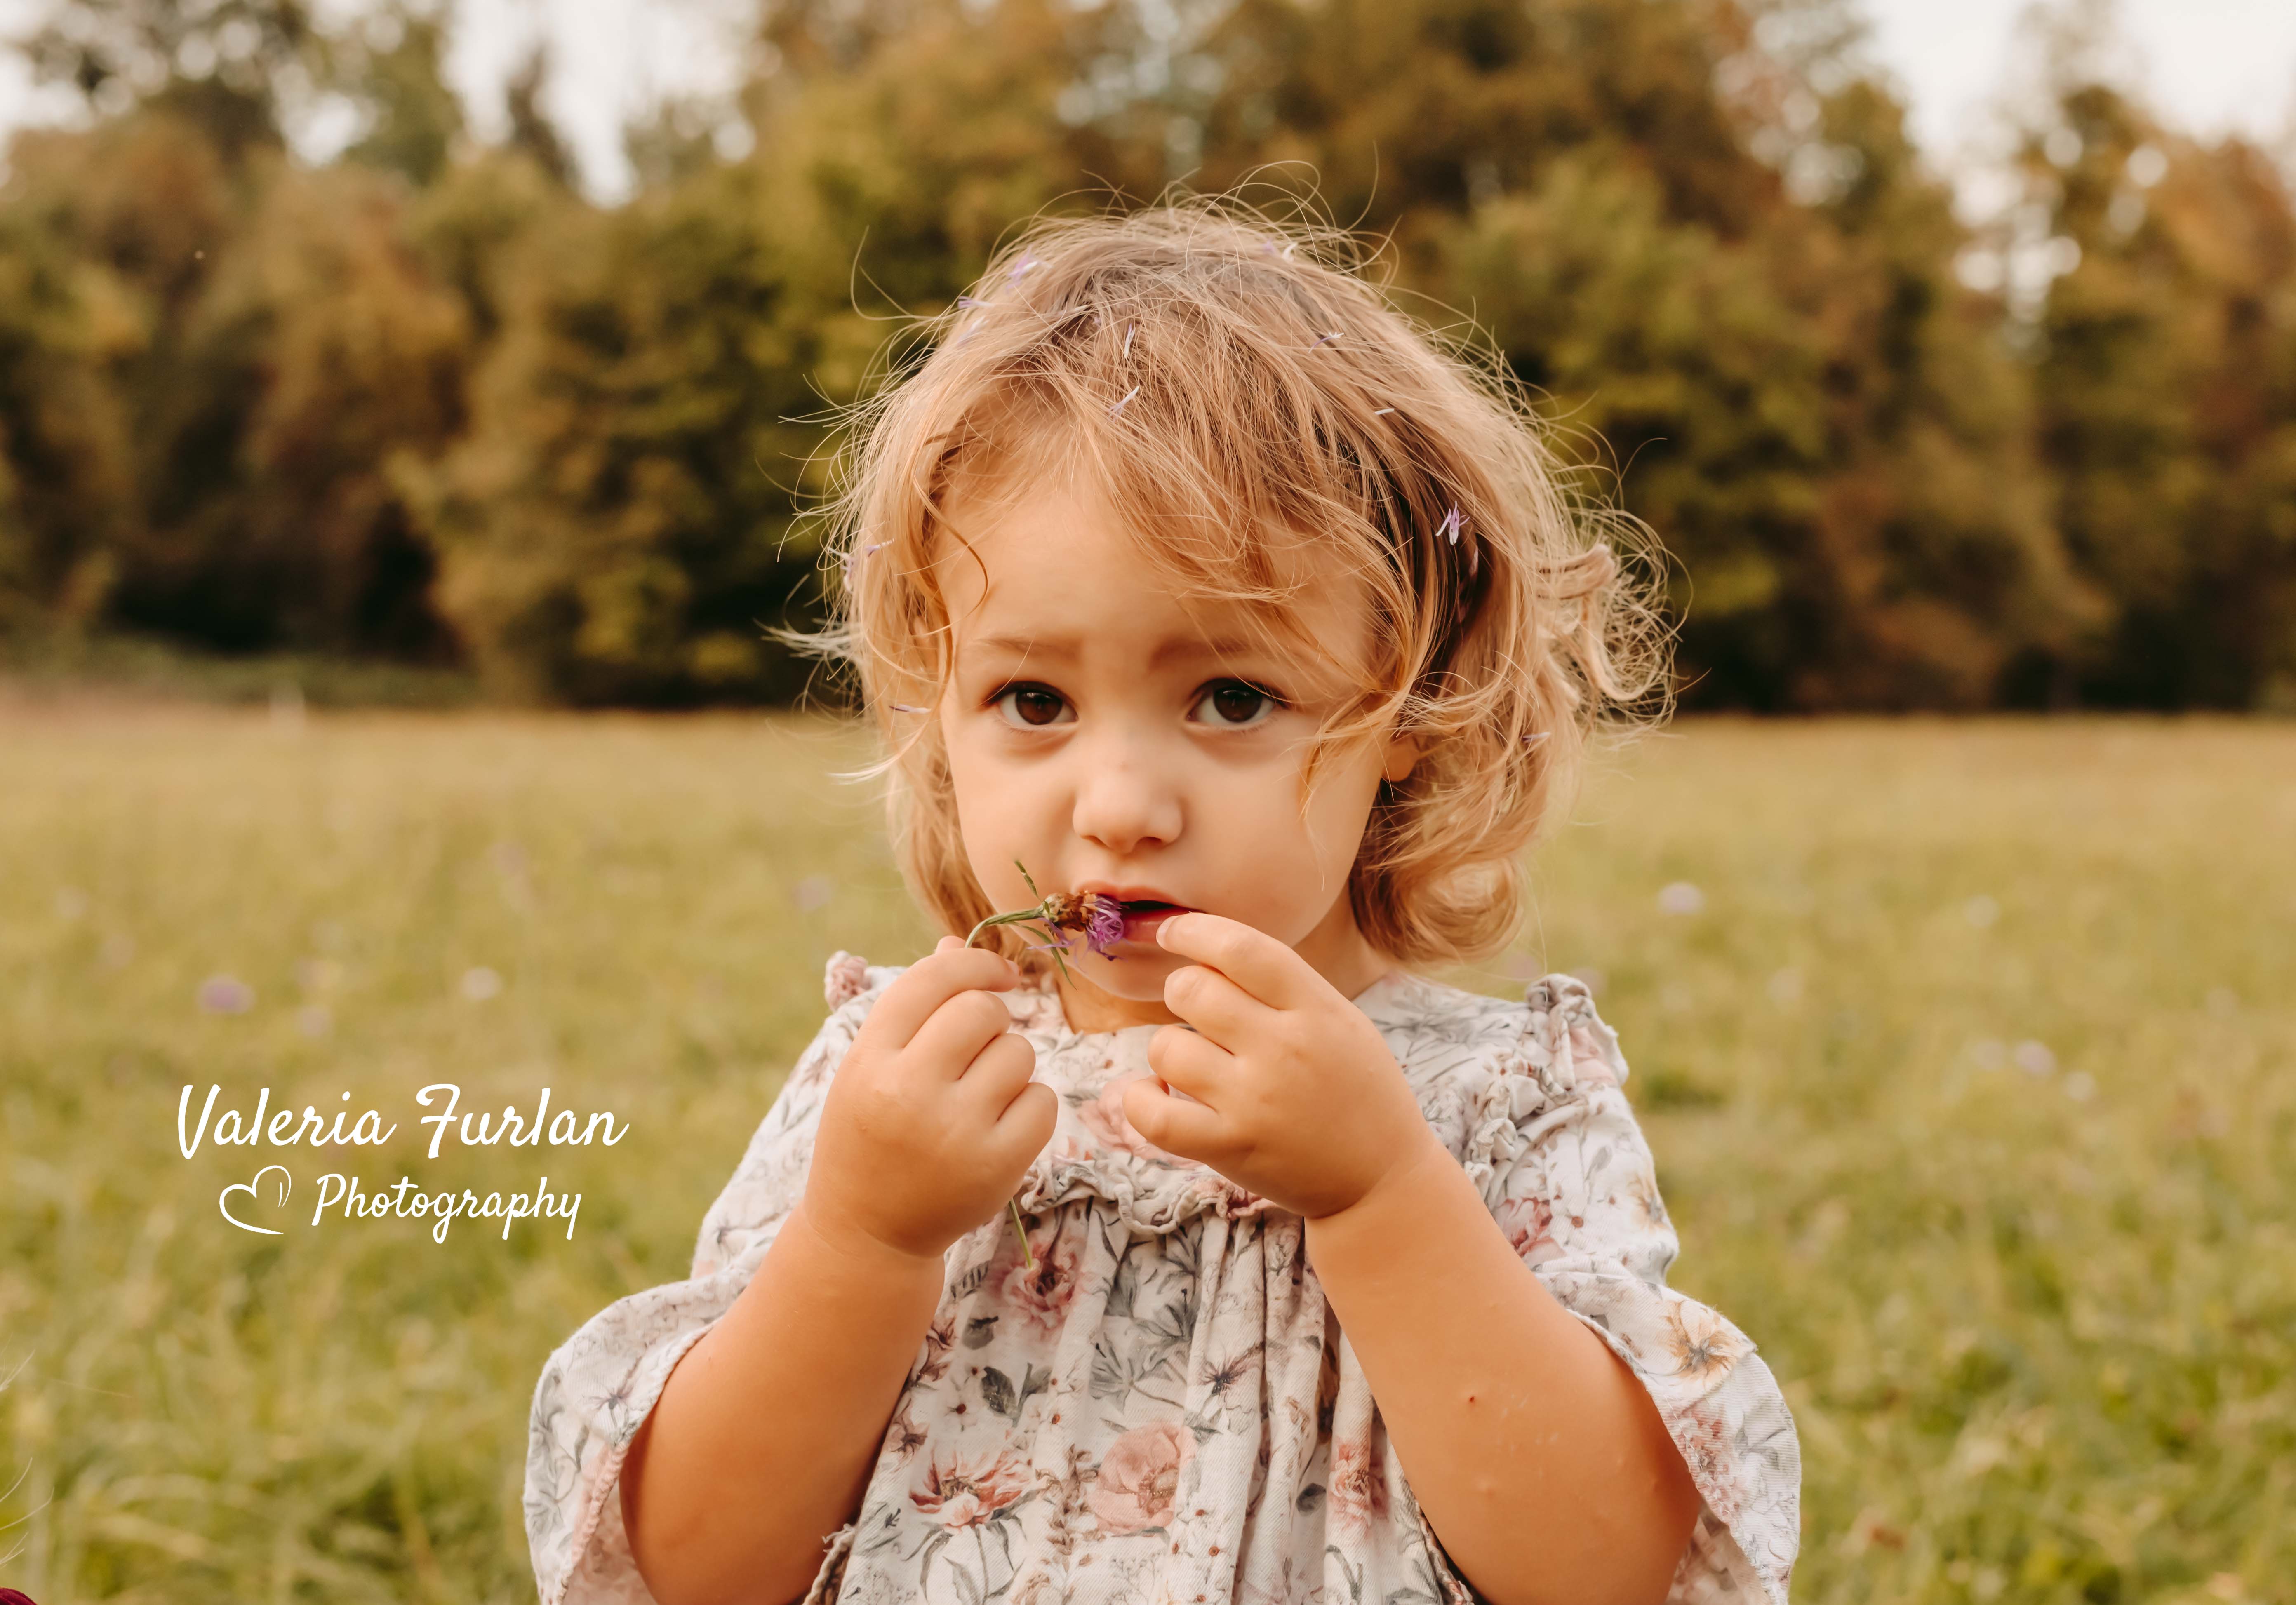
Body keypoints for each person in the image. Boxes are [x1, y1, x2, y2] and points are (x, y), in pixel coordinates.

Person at [523, 204, 1800, 1605]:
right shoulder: (891, 1092)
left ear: (1413, 708)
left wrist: (1382, 1191)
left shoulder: (1495, 1109)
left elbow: (1609, 1568)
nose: (1121, 802)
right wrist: (862, 1241)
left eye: (1232, 698)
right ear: (935, 709)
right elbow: (695, 1567)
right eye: (1033, 700)